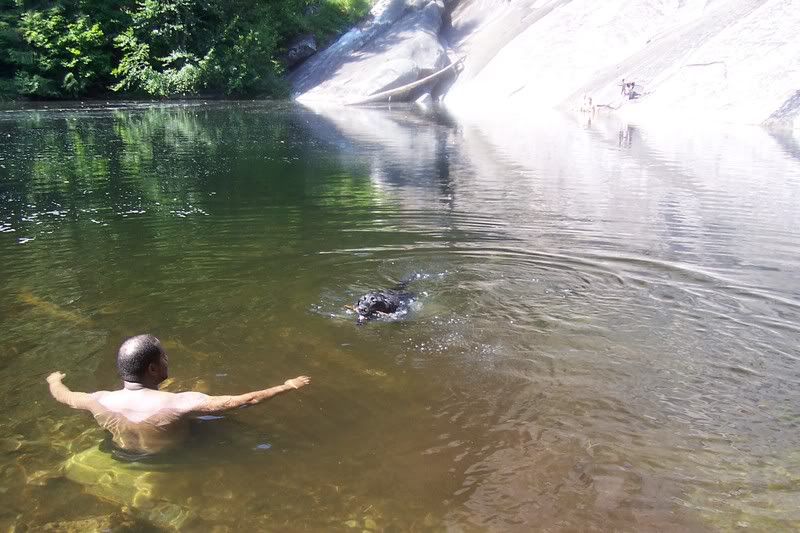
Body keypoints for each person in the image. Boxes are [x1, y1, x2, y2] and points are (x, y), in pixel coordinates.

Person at [46, 334, 310, 456]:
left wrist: (54, 379)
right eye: (164, 357)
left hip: (124, 454)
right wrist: (286, 385)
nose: (167, 361)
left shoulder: (97, 400)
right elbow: (245, 400)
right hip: (168, 457)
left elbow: (63, 395)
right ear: (152, 368)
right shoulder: (180, 402)